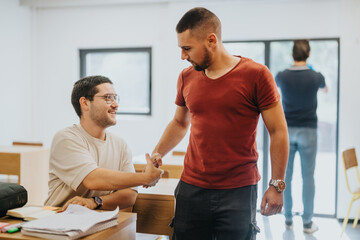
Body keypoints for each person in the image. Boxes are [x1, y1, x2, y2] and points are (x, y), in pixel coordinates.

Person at [150, 7, 289, 240]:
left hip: (238, 191)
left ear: (211, 40)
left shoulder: (256, 74)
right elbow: (179, 123)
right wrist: (157, 153)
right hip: (191, 188)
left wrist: (276, 185)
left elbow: (278, 131)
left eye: (187, 48)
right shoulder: (186, 77)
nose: (183, 56)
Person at [44, 75, 163, 211]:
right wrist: (144, 178)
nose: (115, 104)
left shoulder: (120, 144)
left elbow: (129, 195)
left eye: (115, 98)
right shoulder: (66, 138)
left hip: (96, 221)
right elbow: (92, 179)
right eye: (108, 98)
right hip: (58, 219)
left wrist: (94, 202)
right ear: (85, 103)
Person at [275, 40, 327, 234]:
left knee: (286, 176)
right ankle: (307, 223)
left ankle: (287, 219)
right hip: (309, 131)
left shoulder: (282, 76)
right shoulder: (315, 76)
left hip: (287, 131)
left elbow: (274, 89)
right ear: (308, 54)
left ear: (292, 54)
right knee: (308, 177)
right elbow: (325, 88)